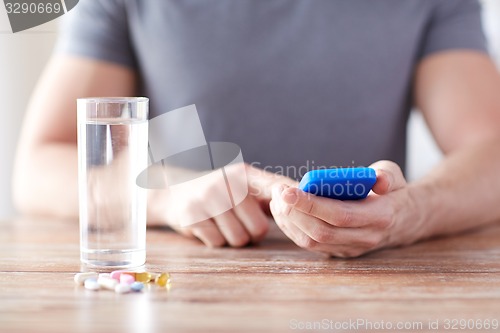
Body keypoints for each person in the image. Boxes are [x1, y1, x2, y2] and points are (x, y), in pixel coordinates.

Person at [13, 0, 500, 257]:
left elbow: (491, 149)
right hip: (186, 287)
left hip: (373, 285)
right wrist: (164, 197)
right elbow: (39, 165)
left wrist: (412, 212)